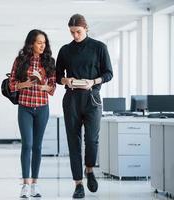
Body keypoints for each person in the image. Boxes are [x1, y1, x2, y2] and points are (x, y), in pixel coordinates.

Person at [56, 14, 113, 198]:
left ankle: (89, 169)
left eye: (78, 32)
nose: (75, 36)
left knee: (91, 140)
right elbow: (57, 77)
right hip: (71, 98)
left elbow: (109, 73)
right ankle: (78, 184)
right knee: (73, 142)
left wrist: (93, 81)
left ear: (86, 28)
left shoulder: (99, 47)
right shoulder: (65, 50)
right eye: (72, 32)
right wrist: (67, 79)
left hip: (92, 98)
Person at [9, 29, 56, 198]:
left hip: (42, 107)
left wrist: (46, 87)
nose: (42, 45)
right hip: (25, 107)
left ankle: (35, 184)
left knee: (37, 146)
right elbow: (12, 84)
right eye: (39, 42)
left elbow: (53, 87)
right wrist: (24, 84)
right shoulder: (21, 60)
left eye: (44, 43)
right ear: (31, 44)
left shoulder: (49, 61)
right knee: (27, 144)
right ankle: (25, 185)